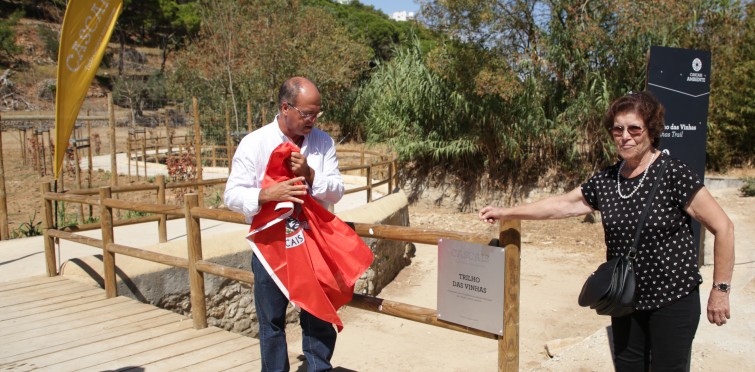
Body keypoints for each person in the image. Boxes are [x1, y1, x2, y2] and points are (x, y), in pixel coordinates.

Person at [478, 91, 734, 371]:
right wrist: (508, 212)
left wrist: (720, 290)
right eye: (618, 129)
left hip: (673, 299)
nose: (625, 136)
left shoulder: (674, 174)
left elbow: (723, 227)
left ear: (651, 131)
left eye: (635, 128)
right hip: (625, 299)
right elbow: (563, 204)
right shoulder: (607, 180)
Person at [225, 77, 344, 372]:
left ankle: (319, 368)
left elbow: (338, 190)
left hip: (314, 244)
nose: (312, 120)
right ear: (285, 107)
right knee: (272, 322)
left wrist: (310, 174)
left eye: (317, 114)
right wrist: (267, 194)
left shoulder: (323, 141)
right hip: (271, 248)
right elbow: (232, 194)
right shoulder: (255, 143)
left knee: (318, 317)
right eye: (307, 114)